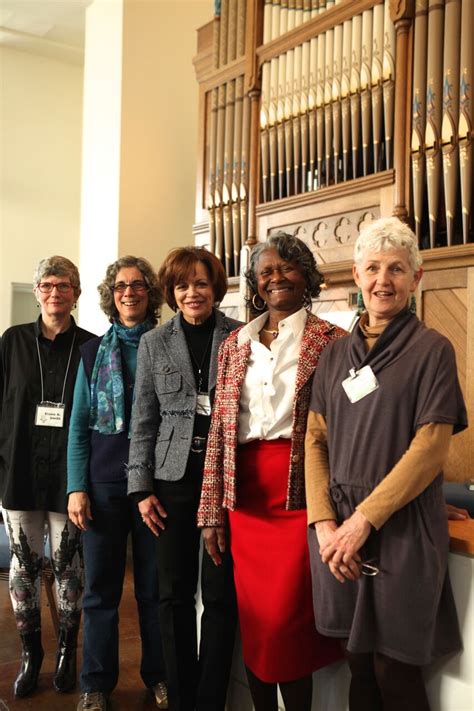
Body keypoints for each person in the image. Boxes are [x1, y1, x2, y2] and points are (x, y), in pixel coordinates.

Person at [305, 217, 468, 711]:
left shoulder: (432, 351)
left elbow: (430, 447)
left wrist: (362, 521)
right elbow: (315, 443)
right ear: (356, 275)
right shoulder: (333, 356)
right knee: (357, 662)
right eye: (373, 268)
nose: (383, 280)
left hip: (402, 527)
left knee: (395, 669)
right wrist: (325, 524)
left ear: (416, 279)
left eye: (396, 269)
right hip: (338, 531)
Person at [197, 232, 345, 711]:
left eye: (287, 268)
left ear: (307, 276)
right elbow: (221, 431)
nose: (276, 277)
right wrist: (212, 512)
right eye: (266, 272)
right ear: (256, 285)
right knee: (256, 621)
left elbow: (344, 428)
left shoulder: (333, 341)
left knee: (286, 625)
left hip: (300, 491)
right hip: (245, 498)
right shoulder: (233, 343)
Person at [127, 247, 240, 711]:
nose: (192, 292)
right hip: (171, 479)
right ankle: (181, 697)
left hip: (224, 479)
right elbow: (143, 420)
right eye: (182, 286)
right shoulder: (155, 342)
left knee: (219, 594)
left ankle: (210, 700)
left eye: (200, 283)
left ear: (215, 287)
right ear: (172, 294)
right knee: (171, 593)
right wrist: (141, 487)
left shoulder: (239, 337)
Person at [67, 256, 167, 711]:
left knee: (154, 587)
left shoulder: (170, 345)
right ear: (112, 295)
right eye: (122, 286)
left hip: (158, 487)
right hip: (104, 485)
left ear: (150, 293)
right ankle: (96, 683)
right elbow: (80, 425)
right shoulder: (92, 353)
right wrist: (76, 486)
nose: (130, 292)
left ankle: (159, 675)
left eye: (138, 285)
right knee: (100, 590)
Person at [0, 256, 95, 697]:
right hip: (17, 469)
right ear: (37, 291)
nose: (55, 293)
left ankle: (65, 652)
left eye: (64, 285)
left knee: (66, 567)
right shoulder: (12, 341)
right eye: (47, 285)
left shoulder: (92, 346)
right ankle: (30, 653)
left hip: (69, 474)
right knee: (22, 567)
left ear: (76, 292)